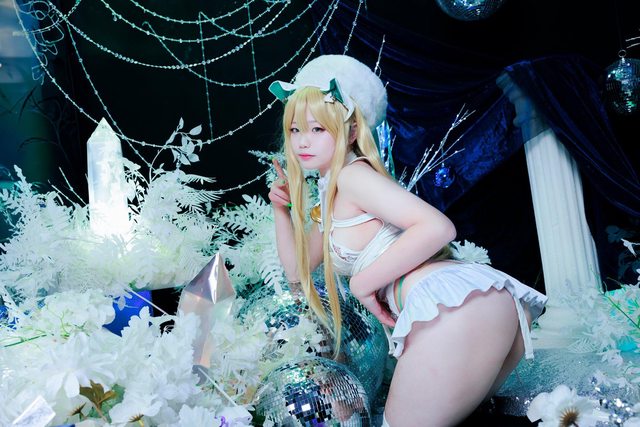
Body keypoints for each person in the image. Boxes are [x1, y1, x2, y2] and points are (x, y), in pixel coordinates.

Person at [267, 55, 547, 427]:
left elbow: (438, 228)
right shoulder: (334, 190)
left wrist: (362, 283)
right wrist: (280, 210)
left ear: (351, 131)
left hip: (452, 309)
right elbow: (296, 270)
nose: (302, 141)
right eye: (295, 129)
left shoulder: (352, 177)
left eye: (318, 129)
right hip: (475, 305)